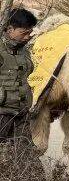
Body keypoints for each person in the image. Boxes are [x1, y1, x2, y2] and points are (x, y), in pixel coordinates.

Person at [0, 8, 38, 144]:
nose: (27, 36)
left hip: (22, 113)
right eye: (24, 33)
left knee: (26, 158)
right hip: (2, 114)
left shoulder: (24, 51)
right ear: (9, 29)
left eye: (30, 32)